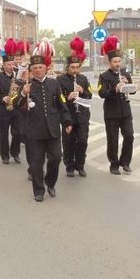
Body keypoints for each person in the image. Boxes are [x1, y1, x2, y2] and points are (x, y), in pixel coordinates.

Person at [15, 49, 72, 202]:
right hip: (34, 131)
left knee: (56, 158)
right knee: (36, 163)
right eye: (35, 68)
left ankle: (50, 183)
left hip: (53, 129)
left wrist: (67, 121)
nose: (38, 70)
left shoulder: (54, 84)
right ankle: (38, 190)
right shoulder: (26, 85)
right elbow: (15, 105)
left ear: (45, 68)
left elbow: (62, 104)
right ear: (31, 70)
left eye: (40, 67)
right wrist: (23, 94)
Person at [98, 36, 136, 175]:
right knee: (113, 141)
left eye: (119, 61)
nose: (117, 64)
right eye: (114, 62)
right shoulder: (104, 76)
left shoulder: (125, 74)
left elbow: (133, 91)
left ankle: (125, 162)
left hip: (125, 112)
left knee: (129, 136)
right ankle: (114, 164)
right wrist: (115, 89)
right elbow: (102, 93)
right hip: (111, 113)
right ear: (109, 62)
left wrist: (128, 85)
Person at [57, 37, 92, 178]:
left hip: (82, 115)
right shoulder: (60, 80)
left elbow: (89, 96)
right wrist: (68, 97)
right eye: (73, 68)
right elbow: (58, 99)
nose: (75, 70)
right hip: (68, 116)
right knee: (68, 142)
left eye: (77, 67)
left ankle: (80, 165)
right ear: (67, 67)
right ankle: (69, 166)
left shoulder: (83, 79)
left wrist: (82, 91)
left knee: (83, 141)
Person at [0, 38, 23, 164]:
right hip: (3, 109)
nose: (11, 67)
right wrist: (1, 98)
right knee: (4, 134)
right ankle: (5, 156)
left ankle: (15, 153)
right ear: (4, 65)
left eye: (12, 65)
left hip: (16, 108)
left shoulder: (18, 76)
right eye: (9, 65)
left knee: (18, 133)